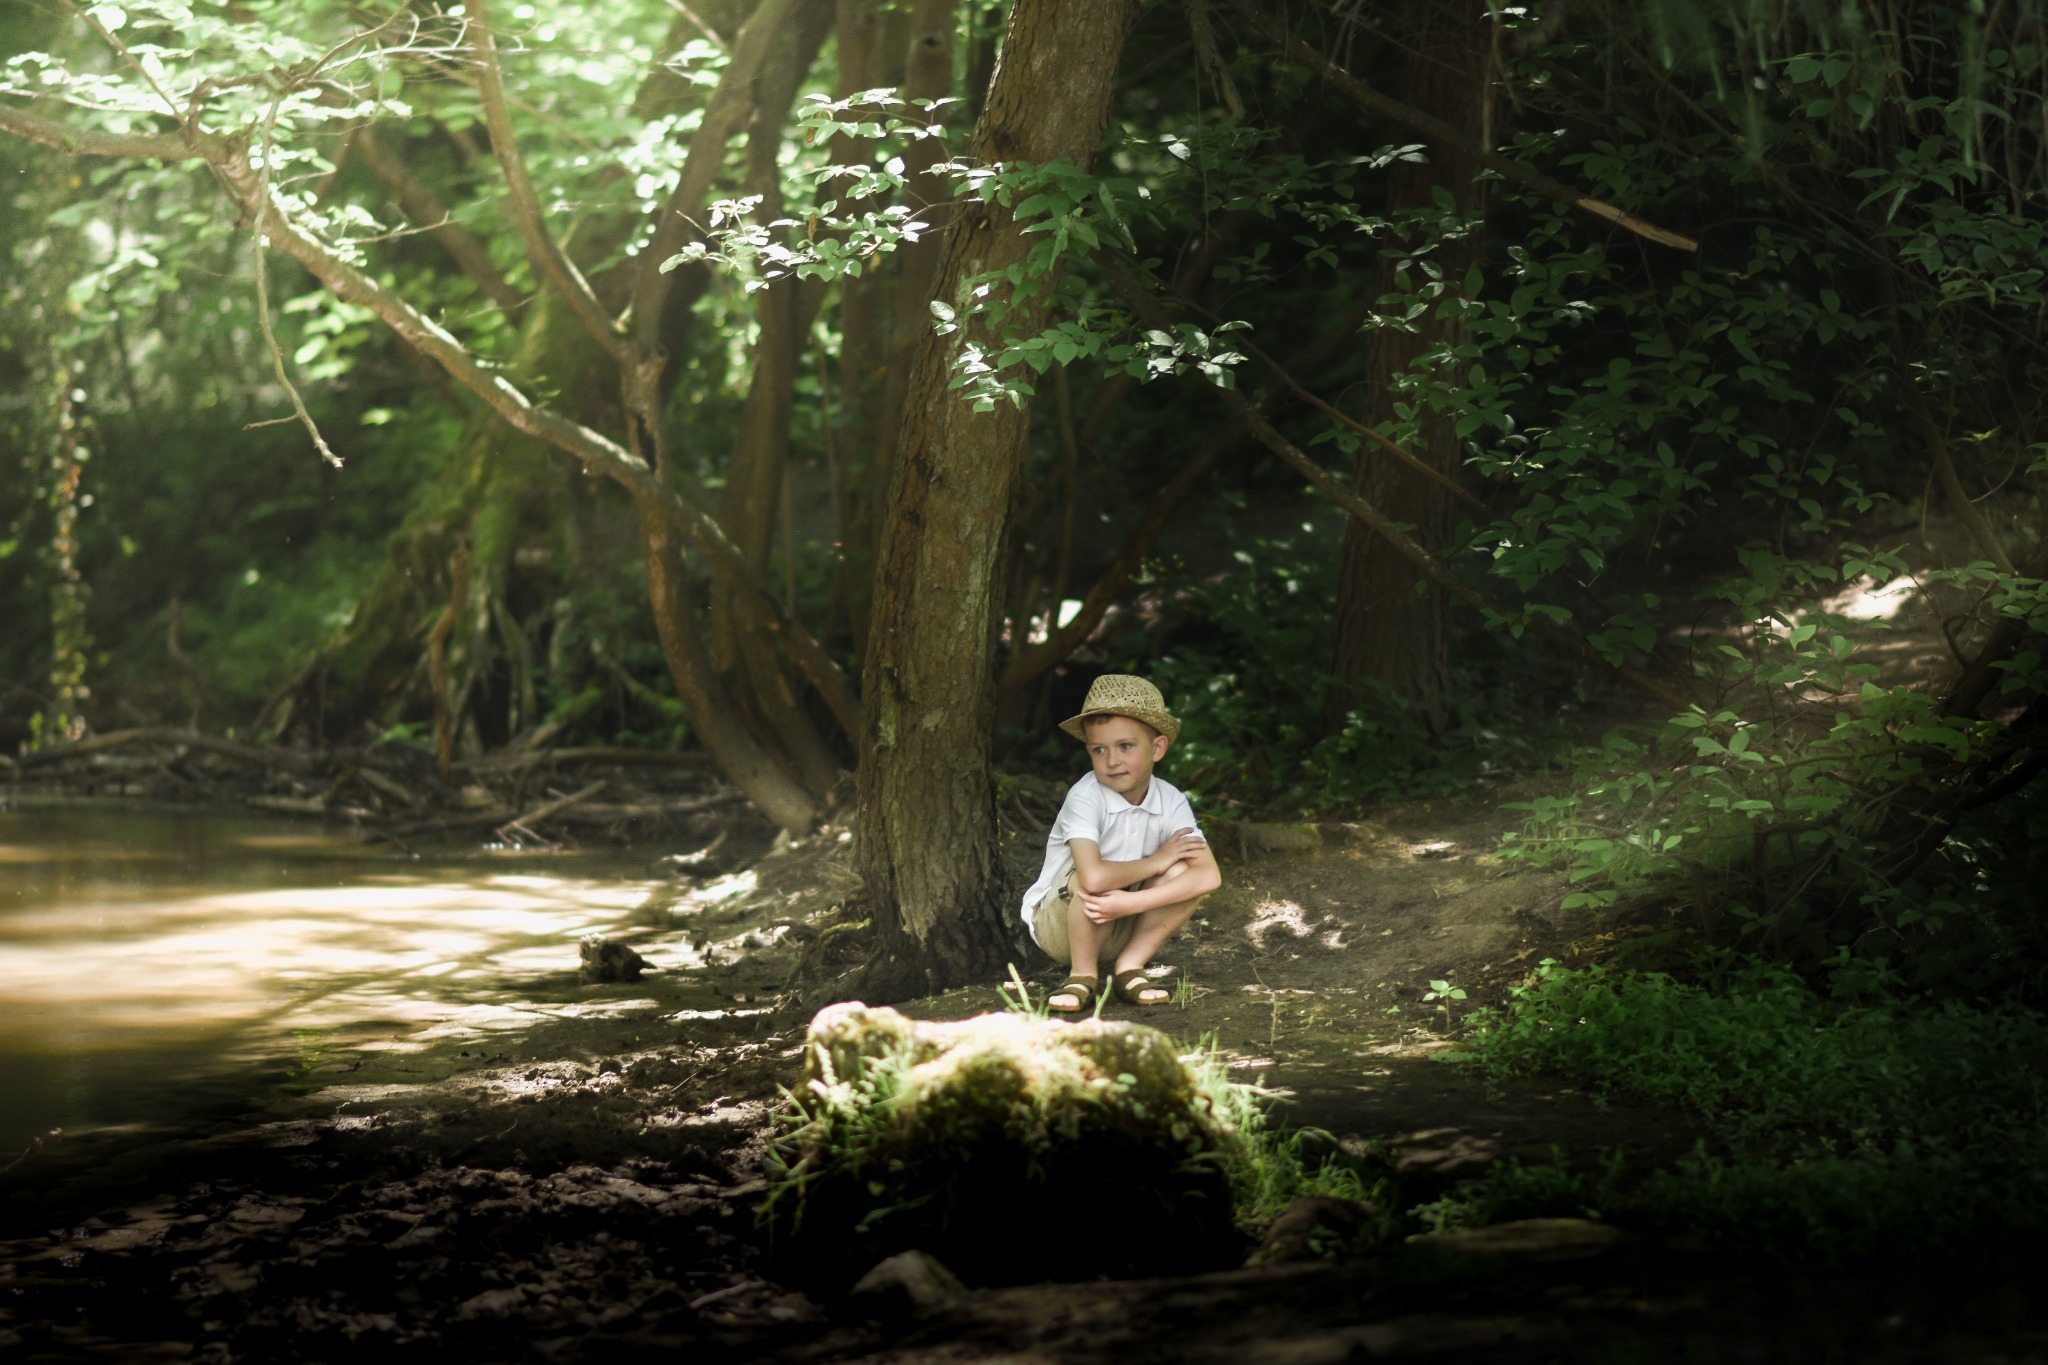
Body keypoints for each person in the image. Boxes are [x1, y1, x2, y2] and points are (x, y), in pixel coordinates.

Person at [1019, 674, 1222, 1012]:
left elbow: (1208, 877)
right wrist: (1157, 862)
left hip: (1124, 917)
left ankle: (1129, 966)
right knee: (1088, 877)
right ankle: (1082, 975)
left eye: (1125, 746)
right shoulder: (1086, 796)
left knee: (1184, 870)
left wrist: (1131, 904)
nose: (1112, 761)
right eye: (1100, 750)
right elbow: (1094, 879)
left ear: (1157, 748)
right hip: (1063, 925)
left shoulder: (1170, 800)